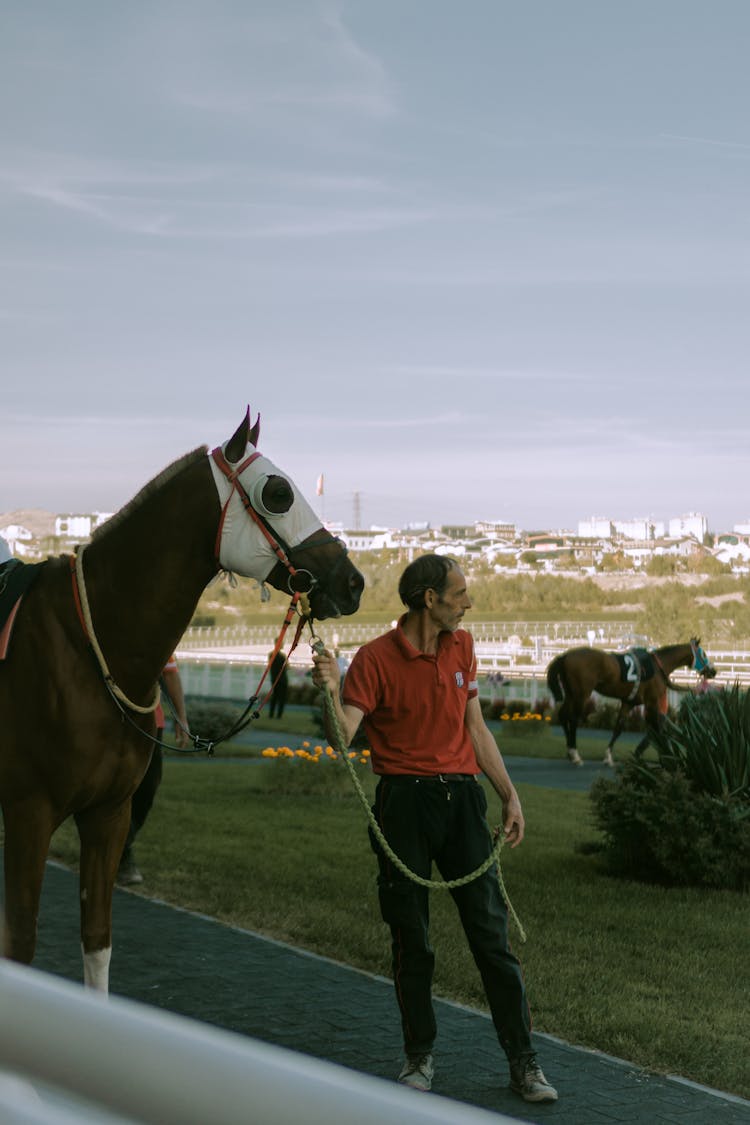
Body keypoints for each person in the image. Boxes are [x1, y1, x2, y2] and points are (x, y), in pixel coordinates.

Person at [311, 554, 557, 1104]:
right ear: (430, 598)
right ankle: (419, 1056)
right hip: (403, 805)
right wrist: (330, 688)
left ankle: (524, 1062)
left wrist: (509, 794)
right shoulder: (375, 659)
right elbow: (343, 735)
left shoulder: (462, 647)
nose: (468, 603)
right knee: (412, 941)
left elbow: (475, 726)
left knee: (491, 938)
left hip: (462, 802)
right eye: (460, 593)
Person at [117, 655, 190, 886]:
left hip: (149, 718)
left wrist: (181, 717)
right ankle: (119, 855)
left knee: (147, 789)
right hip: (111, 716)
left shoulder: (155, 628)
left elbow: (169, 671)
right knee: (111, 790)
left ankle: (121, 846)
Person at [267, 650, 289, 719]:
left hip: (275, 679)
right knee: (281, 697)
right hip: (282, 679)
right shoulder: (282, 656)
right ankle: (278, 715)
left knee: (275, 697)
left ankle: (272, 714)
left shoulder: (271, 655)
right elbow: (287, 666)